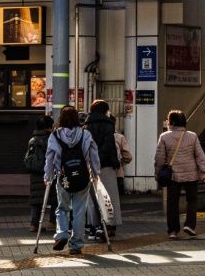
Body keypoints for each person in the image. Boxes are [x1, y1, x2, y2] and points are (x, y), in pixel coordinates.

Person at [45, 106, 100, 254]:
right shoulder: (85, 134)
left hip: (64, 177)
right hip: (82, 177)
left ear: (61, 119)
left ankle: (62, 233)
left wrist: (48, 176)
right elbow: (94, 154)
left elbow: (49, 158)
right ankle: (76, 245)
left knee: (62, 208)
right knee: (79, 211)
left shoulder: (55, 135)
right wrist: (96, 173)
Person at [155, 110, 205, 240]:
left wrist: (158, 174)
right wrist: (204, 171)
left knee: (172, 203)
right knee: (192, 200)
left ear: (171, 122)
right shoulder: (192, 136)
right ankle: (190, 225)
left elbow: (159, 159)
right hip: (191, 174)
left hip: (173, 175)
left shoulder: (164, 136)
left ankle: (173, 230)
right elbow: (200, 155)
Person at [84, 100, 130, 237]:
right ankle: (110, 224)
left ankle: (96, 225)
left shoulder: (86, 125)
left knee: (93, 198)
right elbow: (109, 145)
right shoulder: (108, 124)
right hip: (106, 164)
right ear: (105, 111)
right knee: (110, 196)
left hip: (90, 165)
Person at [24, 114, 54, 232]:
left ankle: (33, 225)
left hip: (35, 173)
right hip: (48, 171)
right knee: (54, 198)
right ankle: (52, 221)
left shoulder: (32, 140)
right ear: (49, 127)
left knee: (36, 200)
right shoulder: (51, 138)